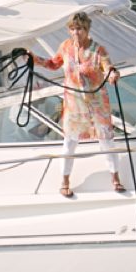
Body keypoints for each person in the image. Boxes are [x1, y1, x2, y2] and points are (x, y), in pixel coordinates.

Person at [35, 11, 126, 197]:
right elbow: (53, 64)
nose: (76, 33)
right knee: (69, 142)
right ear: (69, 30)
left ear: (87, 29)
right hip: (73, 104)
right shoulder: (65, 47)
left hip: (97, 104)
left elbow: (107, 67)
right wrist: (33, 59)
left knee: (107, 141)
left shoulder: (98, 50)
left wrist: (113, 75)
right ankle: (65, 181)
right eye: (73, 29)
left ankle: (115, 178)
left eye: (80, 29)